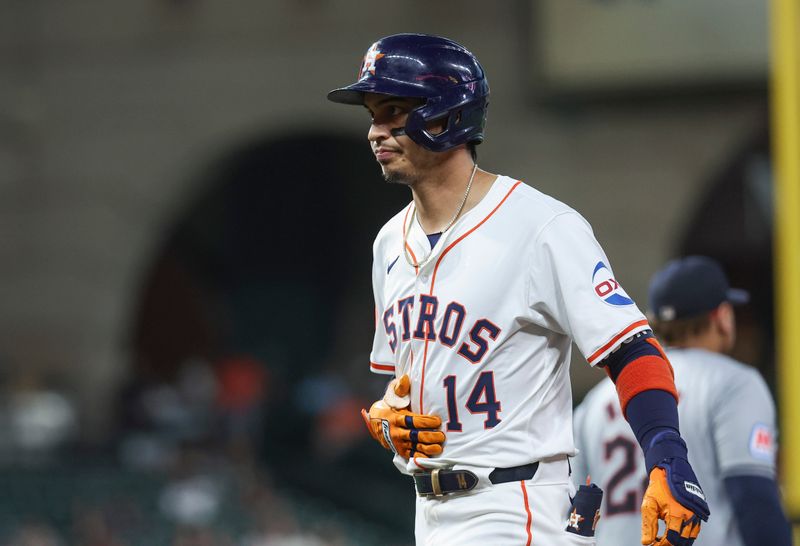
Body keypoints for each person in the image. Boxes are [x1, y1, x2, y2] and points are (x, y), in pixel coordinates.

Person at [327, 33, 709, 545]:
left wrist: (667, 454)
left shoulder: (540, 226)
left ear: (448, 115)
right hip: (429, 513)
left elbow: (632, 348)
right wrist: (387, 420)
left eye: (393, 110)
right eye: (372, 115)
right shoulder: (388, 243)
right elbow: (401, 387)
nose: (376, 131)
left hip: (517, 505)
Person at [572, 256, 792, 545]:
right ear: (723, 317)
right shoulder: (735, 383)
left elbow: (576, 510)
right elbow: (753, 497)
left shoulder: (599, 399)